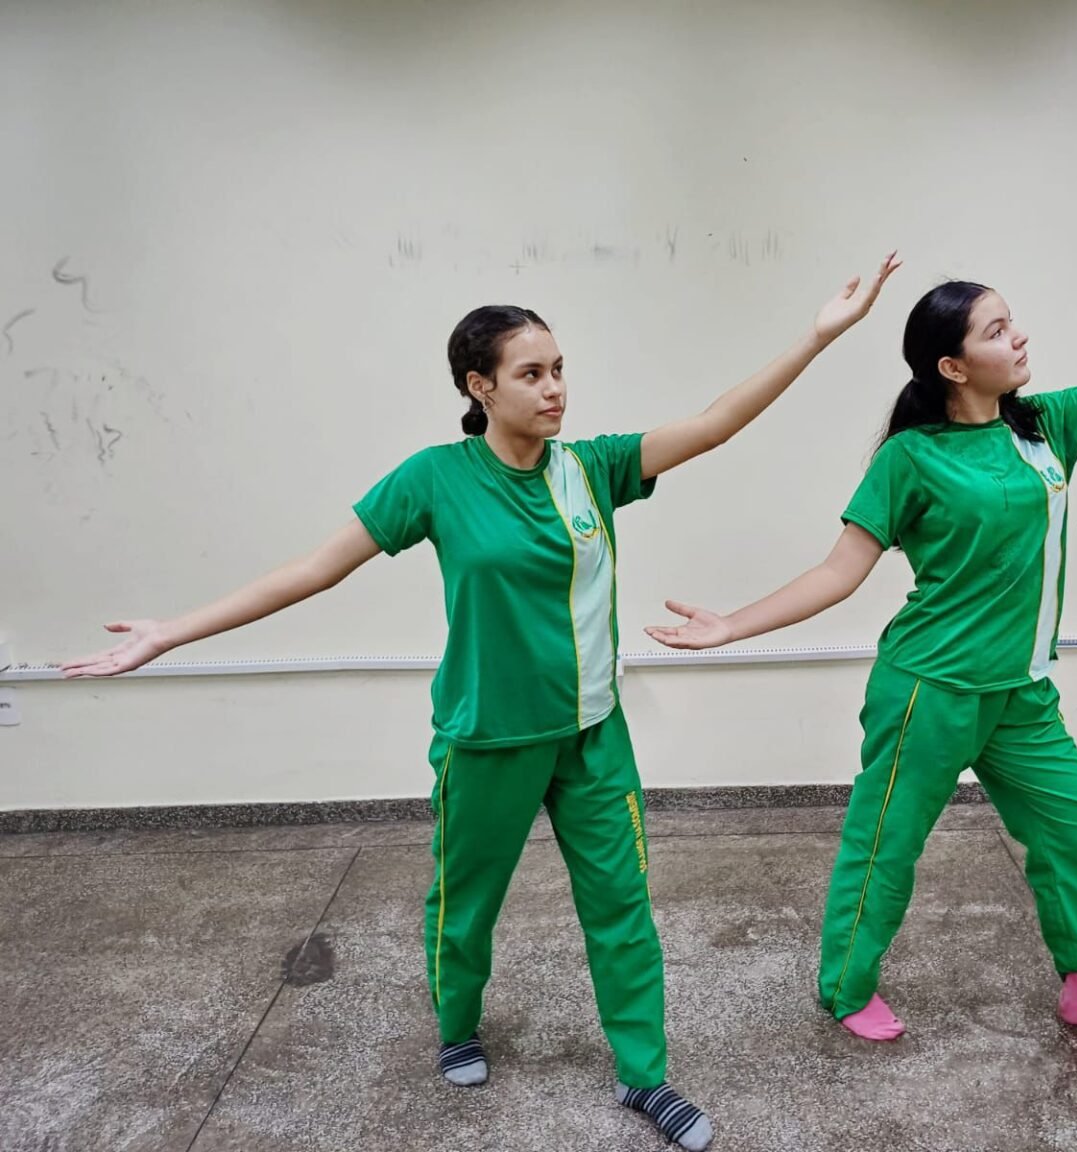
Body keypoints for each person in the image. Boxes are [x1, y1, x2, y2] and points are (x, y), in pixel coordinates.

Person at [61, 251, 901, 1149]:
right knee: (466, 908)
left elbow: (712, 425)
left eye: (560, 370)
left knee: (623, 910)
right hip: (487, 738)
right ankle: (457, 1025)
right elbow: (310, 571)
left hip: (592, 736)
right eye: (531, 374)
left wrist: (818, 336)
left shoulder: (594, 469)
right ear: (480, 386)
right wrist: (171, 633)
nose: (555, 390)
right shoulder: (435, 479)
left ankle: (645, 1078)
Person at [647, 167, 1077, 1044]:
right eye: (997, 329)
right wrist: (732, 624)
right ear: (952, 364)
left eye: (1011, 319)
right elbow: (839, 572)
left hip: (1021, 693)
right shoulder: (910, 458)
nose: (1018, 335)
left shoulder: (1046, 426)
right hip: (930, 688)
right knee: (887, 846)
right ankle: (844, 988)